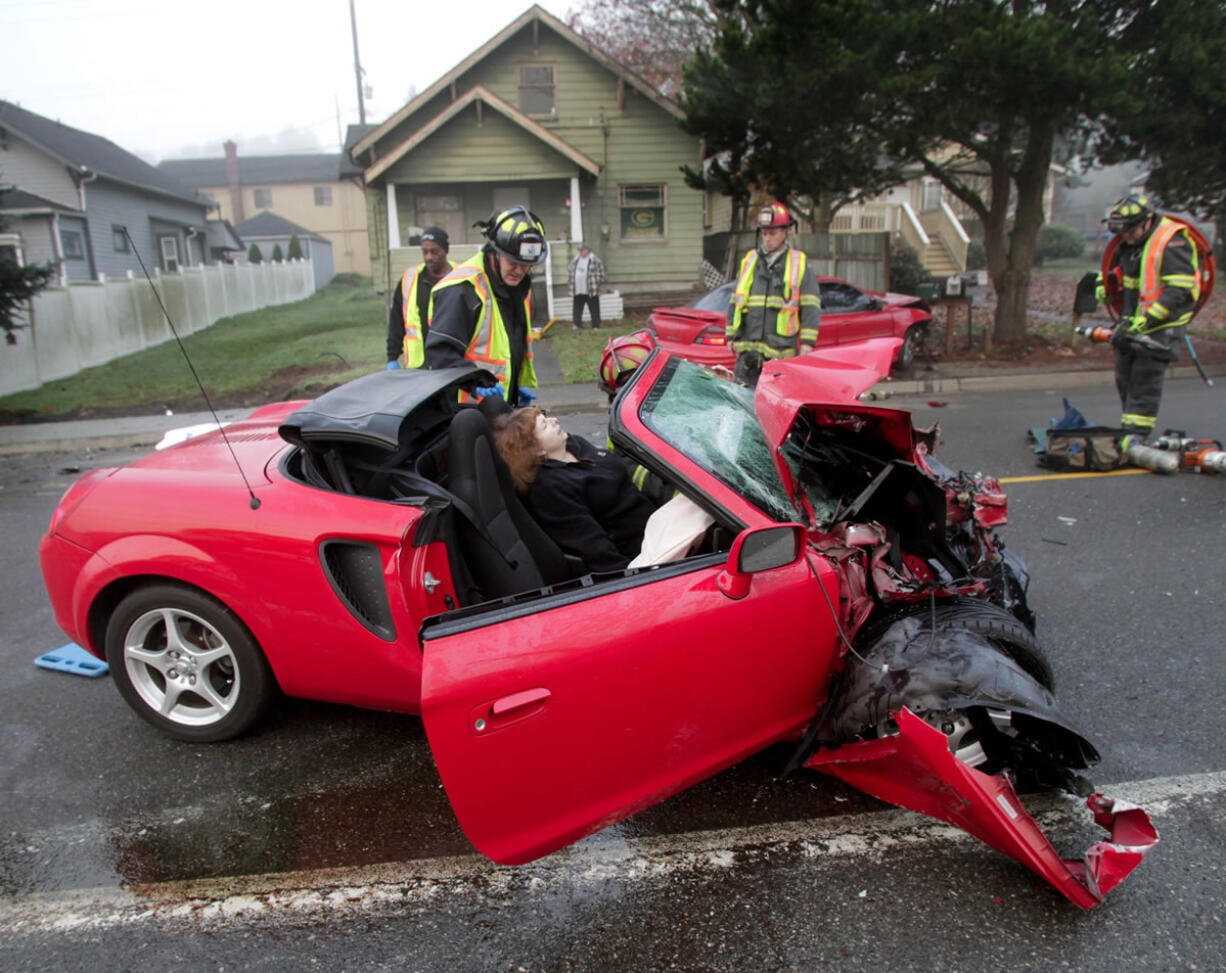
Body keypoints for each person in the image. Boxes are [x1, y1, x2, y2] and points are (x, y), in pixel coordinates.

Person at [493, 406, 655, 573]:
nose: (554, 420)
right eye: (545, 425)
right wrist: (631, 577)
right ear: (537, 449)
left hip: (654, 520)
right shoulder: (549, 490)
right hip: (643, 550)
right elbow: (593, 546)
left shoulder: (574, 443)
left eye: (546, 417)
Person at [1095, 193, 1202, 445]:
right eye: (1123, 232)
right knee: (1124, 373)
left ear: (1147, 221)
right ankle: (1129, 426)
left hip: (1164, 322)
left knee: (1146, 375)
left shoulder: (1171, 240)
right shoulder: (1130, 243)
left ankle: (1136, 435)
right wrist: (1106, 284)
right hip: (1132, 319)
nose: (1127, 236)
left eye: (1131, 230)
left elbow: (1179, 289)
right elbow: (1117, 270)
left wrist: (1151, 318)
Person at [425, 206, 546, 406]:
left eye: (526, 265)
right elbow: (441, 353)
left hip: (499, 409)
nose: (520, 270)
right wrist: (474, 380)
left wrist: (515, 386)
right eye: (513, 262)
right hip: (465, 411)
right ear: (495, 252)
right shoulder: (464, 289)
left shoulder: (515, 287)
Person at [726, 200, 822, 387]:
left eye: (773, 233)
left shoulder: (797, 263)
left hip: (780, 354)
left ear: (785, 232)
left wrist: (807, 342)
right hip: (747, 357)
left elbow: (811, 304)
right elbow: (735, 300)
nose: (767, 238)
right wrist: (730, 334)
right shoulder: (750, 261)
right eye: (764, 233)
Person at [385, 226, 452, 369]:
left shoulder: (460, 277)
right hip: (419, 366)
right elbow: (396, 321)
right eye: (425, 252)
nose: (429, 257)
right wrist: (392, 357)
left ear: (446, 251)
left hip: (451, 364)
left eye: (434, 252)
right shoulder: (410, 279)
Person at [568, 242, 605, 330]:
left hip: (591, 290)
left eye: (583, 250)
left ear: (587, 250)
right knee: (577, 308)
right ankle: (576, 324)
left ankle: (596, 325)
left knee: (594, 308)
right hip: (578, 289)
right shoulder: (575, 260)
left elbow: (601, 274)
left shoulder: (595, 260)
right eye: (580, 250)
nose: (581, 252)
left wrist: (596, 283)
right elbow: (570, 270)